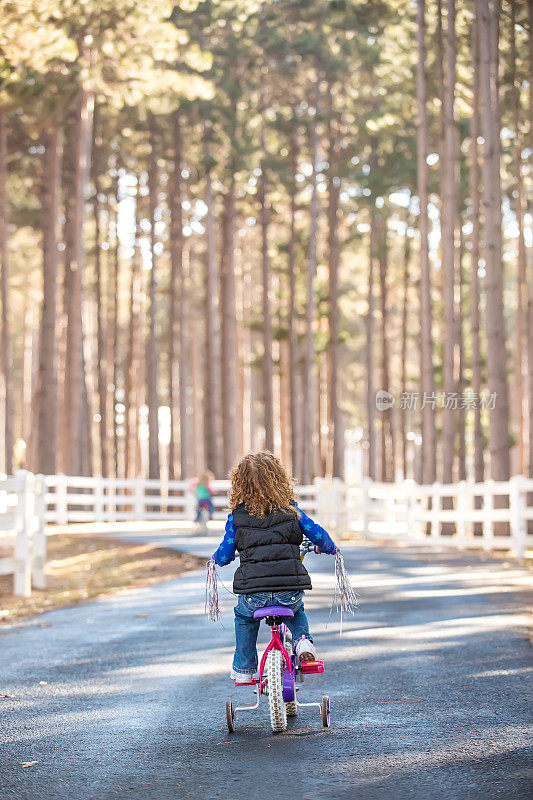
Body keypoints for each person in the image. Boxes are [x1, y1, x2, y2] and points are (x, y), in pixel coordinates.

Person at [211, 451, 337, 684]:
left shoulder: (236, 518)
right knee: (296, 611)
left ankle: (245, 668)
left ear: (240, 485)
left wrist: (217, 559)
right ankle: (302, 642)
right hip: (288, 590)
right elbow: (317, 533)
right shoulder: (292, 511)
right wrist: (328, 547)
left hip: (254, 596)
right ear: (279, 480)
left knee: (244, 618)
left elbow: (227, 551)